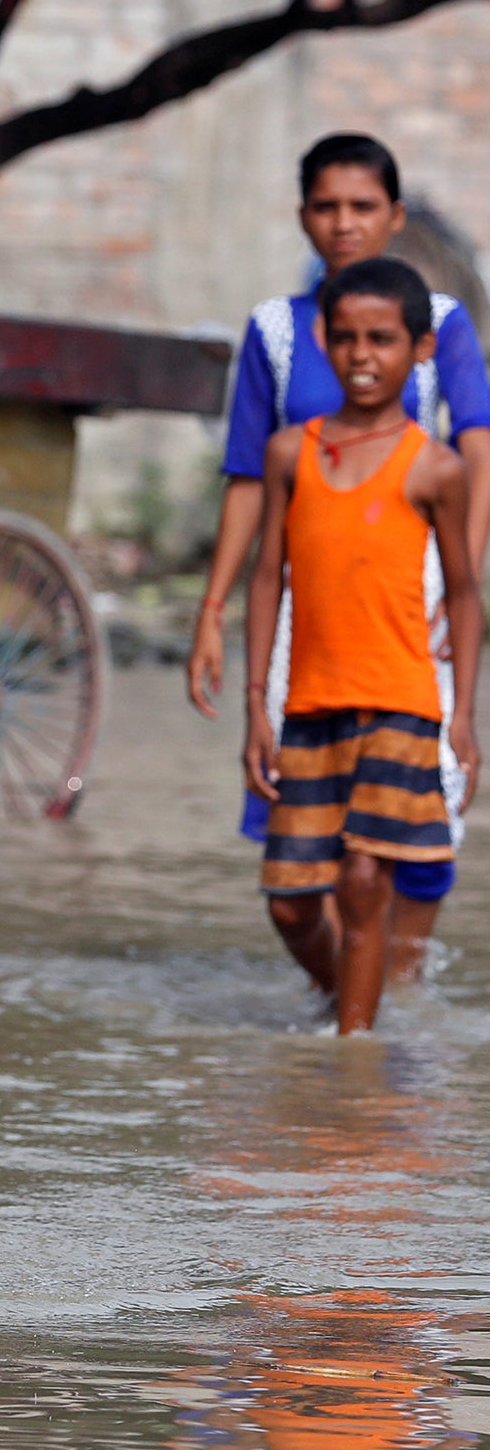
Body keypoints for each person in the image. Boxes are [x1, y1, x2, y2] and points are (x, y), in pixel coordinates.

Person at [189, 133, 490, 983]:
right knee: (297, 817)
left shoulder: (438, 326)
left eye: (362, 207)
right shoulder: (279, 333)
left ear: (395, 217)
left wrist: (457, 579)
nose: (344, 224)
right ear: (303, 217)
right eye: (327, 207)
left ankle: (396, 992)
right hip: (303, 606)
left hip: (408, 593)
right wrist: (211, 614)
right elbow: (250, 480)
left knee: (413, 809)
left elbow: (477, 448)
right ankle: (346, 999)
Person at [244, 257, 481, 1034]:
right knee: (287, 898)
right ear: (322, 340)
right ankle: (348, 993)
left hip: (401, 703)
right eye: (345, 338)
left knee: (366, 876)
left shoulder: (435, 467)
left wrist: (464, 717)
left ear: (419, 349)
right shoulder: (290, 453)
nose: (362, 355)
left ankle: (354, 1055)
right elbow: (267, 578)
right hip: (309, 704)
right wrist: (256, 705)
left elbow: (464, 590)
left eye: (382, 338)